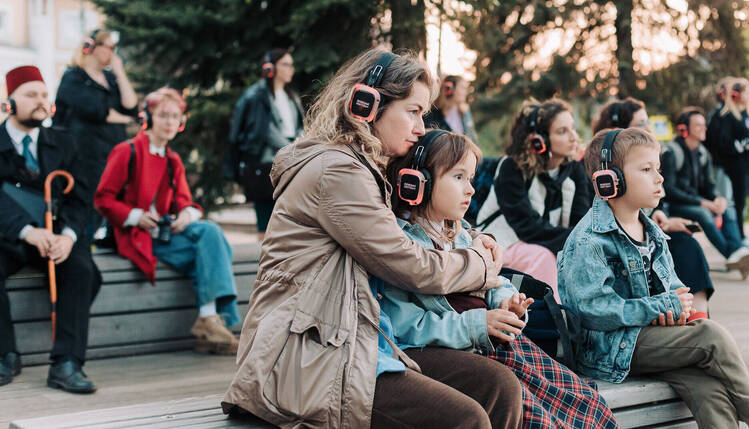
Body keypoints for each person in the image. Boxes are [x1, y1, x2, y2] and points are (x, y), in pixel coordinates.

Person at [222, 49, 521, 429]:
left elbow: (427, 225)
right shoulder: (339, 172)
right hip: (306, 356)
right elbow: (411, 265)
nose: (421, 128)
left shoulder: (366, 168)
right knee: (465, 419)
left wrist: (477, 241)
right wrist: (481, 264)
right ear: (367, 104)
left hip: (359, 337)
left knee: (499, 387)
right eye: (413, 112)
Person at [383, 129, 619, 428]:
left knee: (580, 400)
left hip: (494, 342)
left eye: (471, 179)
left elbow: (492, 281)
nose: (470, 189)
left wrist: (507, 301)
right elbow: (405, 327)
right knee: (535, 411)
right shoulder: (403, 245)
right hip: (459, 345)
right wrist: (478, 324)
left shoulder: (462, 234)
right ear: (419, 181)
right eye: (458, 177)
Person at [559, 127, 749, 429]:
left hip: (648, 340)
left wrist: (677, 307)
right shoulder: (589, 241)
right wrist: (657, 307)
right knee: (710, 335)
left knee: (709, 387)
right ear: (609, 180)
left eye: (658, 168)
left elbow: (672, 285)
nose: (659, 178)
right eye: (646, 169)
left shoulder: (650, 229)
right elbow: (594, 310)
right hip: (611, 349)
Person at [94, 88, 239, 355]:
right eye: (164, 115)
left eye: (176, 116)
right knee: (210, 241)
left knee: (209, 237)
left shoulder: (173, 159)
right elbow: (103, 198)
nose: (171, 122)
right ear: (148, 118)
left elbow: (187, 202)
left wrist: (186, 215)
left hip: (164, 235)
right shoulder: (126, 151)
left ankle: (209, 322)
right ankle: (213, 321)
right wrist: (136, 216)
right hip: (134, 236)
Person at [0, 66, 101, 393]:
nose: (41, 101)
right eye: (31, 95)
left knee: (83, 270)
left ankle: (66, 363)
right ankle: (5, 355)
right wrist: (27, 231)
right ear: (9, 103)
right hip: (11, 237)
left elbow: (81, 197)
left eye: (44, 94)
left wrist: (68, 237)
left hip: (57, 236)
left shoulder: (64, 141)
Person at [593, 100, 713, 315]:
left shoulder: (648, 167)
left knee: (687, 244)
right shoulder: (602, 176)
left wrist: (661, 216)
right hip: (627, 245)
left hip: (647, 232)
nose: (648, 128)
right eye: (641, 123)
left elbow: (659, 204)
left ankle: (697, 316)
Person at [475, 98, 592, 300]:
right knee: (544, 257)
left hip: (544, 243)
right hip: (502, 244)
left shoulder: (574, 171)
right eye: (562, 131)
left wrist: (582, 243)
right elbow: (528, 228)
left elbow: (580, 221)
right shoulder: (512, 168)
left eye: (572, 129)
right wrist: (575, 242)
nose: (574, 137)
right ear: (539, 140)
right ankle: (555, 321)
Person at [54, 29, 138, 241]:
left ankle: (111, 242)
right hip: (84, 155)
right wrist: (126, 120)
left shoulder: (110, 78)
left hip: (111, 153)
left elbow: (130, 105)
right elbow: (98, 110)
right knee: (88, 203)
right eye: (109, 47)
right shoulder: (74, 77)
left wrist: (120, 73)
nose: (113, 53)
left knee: (115, 199)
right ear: (93, 47)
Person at [662, 107, 749, 279]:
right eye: (698, 125)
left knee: (727, 206)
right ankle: (731, 254)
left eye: (703, 125)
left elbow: (708, 185)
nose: (703, 129)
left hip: (696, 201)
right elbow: (669, 190)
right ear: (684, 129)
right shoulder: (672, 152)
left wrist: (716, 198)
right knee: (704, 213)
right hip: (675, 205)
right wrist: (702, 203)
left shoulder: (703, 153)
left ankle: (737, 250)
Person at [227, 49, 304, 241]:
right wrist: (292, 148)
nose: (291, 69)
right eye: (286, 64)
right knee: (265, 223)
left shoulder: (291, 96)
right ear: (270, 68)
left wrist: (301, 145)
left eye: (291, 64)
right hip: (265, 164)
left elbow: (299, 125)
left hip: (290, 159)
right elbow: (264, 129)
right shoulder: (257, 95)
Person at [706, 78, 749, 239]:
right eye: (746, 92)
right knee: (738, 202)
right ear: (736, 95)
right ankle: (740, 236)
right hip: (737, 166)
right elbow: (723, 143)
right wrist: (746, 144)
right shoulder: (726, 116)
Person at [423, 74, 478, 142]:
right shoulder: (431, 114)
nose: (465, 92)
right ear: (450, 89)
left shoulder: (463, 112)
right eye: (462, 88)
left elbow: (471, 139)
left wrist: (467, 115)